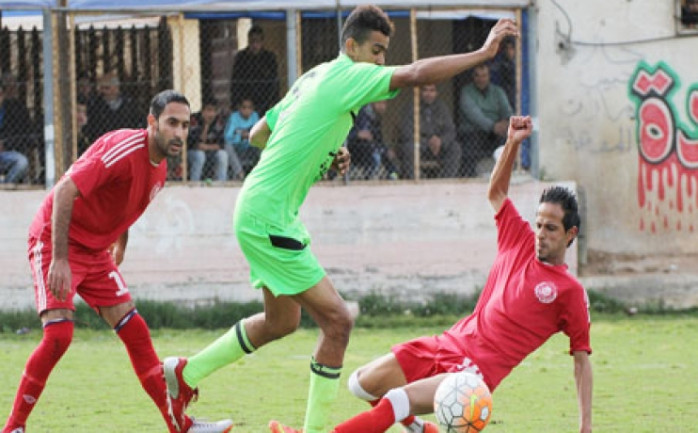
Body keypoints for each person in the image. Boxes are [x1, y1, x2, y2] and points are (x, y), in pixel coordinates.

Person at [162, 6, 519, 433]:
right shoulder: (351, 74)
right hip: (269, 217)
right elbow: (417, 73)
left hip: (260, 209)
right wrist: (483, 52)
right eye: (376, 50)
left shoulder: (315, 76)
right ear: (351, 46)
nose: (381, 62)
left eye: (386, 52)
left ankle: (186, 373)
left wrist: (322, 153)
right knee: (338, 321)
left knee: (282, 322)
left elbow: (259, 133)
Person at [331, 116, 593, 433]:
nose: (541, 233)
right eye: (539, 224)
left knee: (399, 399)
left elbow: (581, 360)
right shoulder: (519, 239)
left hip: (474, 374)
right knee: (360, 384)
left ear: (570, 234)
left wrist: (585, 426)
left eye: (551, 228)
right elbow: (496, 193)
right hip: (449, 342)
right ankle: (421, 429)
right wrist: (511, 143)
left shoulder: (569, 292)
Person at [1, 90, 233, 433]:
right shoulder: (124, 149)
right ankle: (13, 428)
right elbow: (66, 190)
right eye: (172, 123)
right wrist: (61, 258)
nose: (180, 133)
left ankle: (181, 426)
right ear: (152, 123)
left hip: (95, 252)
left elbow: (126, 203)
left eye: (185, 125)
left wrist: (119, 242)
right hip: (55, 241)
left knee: (136, 331)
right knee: (59, 336)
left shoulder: (161, 168)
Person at [459, 63, 513, 177]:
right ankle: (470, 176)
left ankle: (502, 175)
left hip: (496, 130)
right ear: (473, 77)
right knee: (470, 142)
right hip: (474, 130)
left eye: (484, 75)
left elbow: (507, 110)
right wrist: (493, 126)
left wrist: (506, 122)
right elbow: (474, 115)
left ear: (489, 76)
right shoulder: (466, 91)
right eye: (477, 76)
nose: (481, 79)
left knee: (509, 138)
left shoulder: (498, 91)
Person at [399, 84, 462, 179]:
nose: (429, 94)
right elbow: (406, 132)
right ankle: (417, 180)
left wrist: (441, 141)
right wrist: (427, 142)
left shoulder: (442, 108)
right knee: (408, 148)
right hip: (420, 145)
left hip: (439, 147)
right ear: (420, 92)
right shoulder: (411, 107)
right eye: (425, 90)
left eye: (432, 91)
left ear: (436, 93)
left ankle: (445, 180)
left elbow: (450, 130)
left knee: (455, 148)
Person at [230, 25, 279, 115]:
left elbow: (274, 81)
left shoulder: (269, 57)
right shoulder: (241, 57)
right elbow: (235, 81)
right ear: (249, 41)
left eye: (258, 41)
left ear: (262, 42)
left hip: (264, 97)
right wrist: (236, 103)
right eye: (252, 41)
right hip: (246, 98)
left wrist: (274, 101)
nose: (255, 45)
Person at [85, 72, 144, 142]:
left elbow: (137, 121)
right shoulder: (95, 105)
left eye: (106, 88)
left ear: (116, 88)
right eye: (101, 88)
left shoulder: (129, 103)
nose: (103, 91)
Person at [346, 101, 394, 180]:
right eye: (381, 103)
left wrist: (386, 149)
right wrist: (358, 134)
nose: (384, 107)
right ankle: (369, 177)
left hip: (369, 146)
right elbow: (346, 134)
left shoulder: (375, 116)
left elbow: (378, 138)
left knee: (384, 153)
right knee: (375, 155)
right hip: (355, 146)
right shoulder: (361, 112)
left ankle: (392, 174)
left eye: (385, 104)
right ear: (374, 102)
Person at [188, 98, 229, 182]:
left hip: (211, 152)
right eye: (208, 110)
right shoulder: (194, 120)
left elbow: (221, 145)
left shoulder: (219, 121)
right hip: (193, 153)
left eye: (214, 111)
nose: (211, 114)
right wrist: (206, 125)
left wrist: (206, 147)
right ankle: (194, 183)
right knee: (200, 155)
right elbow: (195, 144)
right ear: (202, 111)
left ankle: (221, 183)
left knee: (223, 155)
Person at [223, 97, 260, 180]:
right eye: (244, 107)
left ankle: (260, 172)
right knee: (227, 146)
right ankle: (239, 172)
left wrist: (250, 136)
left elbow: (259, 133)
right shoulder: (234, 117)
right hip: (237, 148)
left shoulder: (255, 116)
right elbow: (227, 137)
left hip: (250, 147)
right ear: (239, 108)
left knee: (261, 145)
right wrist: (240, 137)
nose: (247, 110)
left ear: (252, 109)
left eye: (249, 108)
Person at [0, 84, 31, 184]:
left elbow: (18, 135)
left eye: (0, 94)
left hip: (4, 153)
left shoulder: (11, 111)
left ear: (3, 95)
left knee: (22, 162)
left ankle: (5, 185)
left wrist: (5, 144)